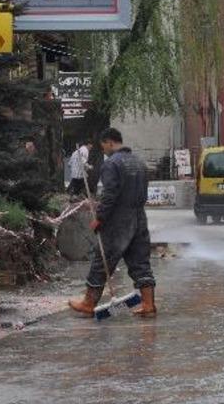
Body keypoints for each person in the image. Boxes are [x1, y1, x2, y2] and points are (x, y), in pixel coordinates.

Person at [69, 128, 156, 318]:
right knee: (140, 261)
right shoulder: (139, 163)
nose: (104, 151)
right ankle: (148, 304)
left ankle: (88, 303)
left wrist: (100, 218)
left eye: (104, 147)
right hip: (139, 218)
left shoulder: (112, 164)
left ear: (109, 142)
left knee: (103, 260)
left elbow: (110, 195)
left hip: (118, 221)